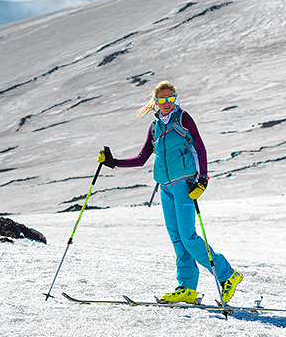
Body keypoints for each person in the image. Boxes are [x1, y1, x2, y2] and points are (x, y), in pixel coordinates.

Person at [98, 80, 244, 305]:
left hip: (185, 185)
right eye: (162, 99)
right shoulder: (155, 126)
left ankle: (227, 275)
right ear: (155, 101)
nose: (167, 103)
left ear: (175, 99)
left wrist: (203, 179)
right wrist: (113, 162)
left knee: (188, 237)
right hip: (165, 188)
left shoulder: (183, 118)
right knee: (176, 238)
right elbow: (142, 158)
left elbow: (201, 148)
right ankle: (187, 287)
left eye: (171, 99)